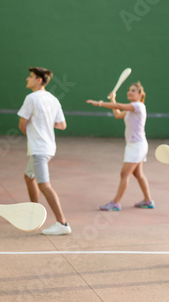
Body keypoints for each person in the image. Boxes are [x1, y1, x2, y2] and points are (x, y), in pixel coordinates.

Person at [17, 67, 71, 235]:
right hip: (48, 148)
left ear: (39, 80)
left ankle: (62, 223)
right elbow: (62, 125)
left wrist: (35, 133)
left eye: (31, 77)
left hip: (39, 149)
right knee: (29, 177)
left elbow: (22, 124)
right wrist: (45, 123)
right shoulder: (54, 99)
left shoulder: (31, 98)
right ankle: (35, 213)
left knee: (44, 185)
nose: (27, 79)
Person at [86, 82, 154, 211]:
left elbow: (118, 106)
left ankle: (116, 203)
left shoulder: (138, 106)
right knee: (138, 174)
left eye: (133, 90)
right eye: (129, 90)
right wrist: (112, 99)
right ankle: (148, 200)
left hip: (137, 146)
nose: (129, 92)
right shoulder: (130, 109)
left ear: (140, 95)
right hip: (134, 145)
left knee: (124, 174)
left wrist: (100, 103)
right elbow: (117, 114)